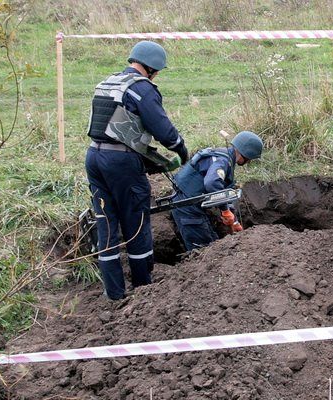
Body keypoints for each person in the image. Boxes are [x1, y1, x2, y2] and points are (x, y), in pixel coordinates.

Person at [85, 41, 189, 300]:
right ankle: (144, 291)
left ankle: (115, 294)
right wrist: (181, 149)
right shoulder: (141, 88)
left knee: (106, 226)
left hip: (94, 158)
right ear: (152, 68)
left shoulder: (108, 82)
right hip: (121, 163)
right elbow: (162, 129)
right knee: (137, 223)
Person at [171, 131, 263, 251]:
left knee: (212, 244)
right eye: (249, 158)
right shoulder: (223, 161)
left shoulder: (224, 158)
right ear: (245, 154)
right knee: (202, 250)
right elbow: (212, 183)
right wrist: (225, 210)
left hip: (192, 205)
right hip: (187, 208)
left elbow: (224, 192)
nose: (249, 161)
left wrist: (234, 222)